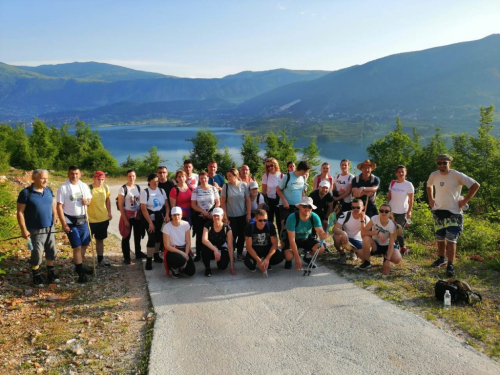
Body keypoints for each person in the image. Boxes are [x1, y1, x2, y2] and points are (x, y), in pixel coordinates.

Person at [427, 154, 480, 277]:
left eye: (444, 163)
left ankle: (450, 265)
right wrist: (431, 198)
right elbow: (428, 185)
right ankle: (441, 259)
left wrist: (464, 201)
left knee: (451, 240)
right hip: (438, 210)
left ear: (449, 163)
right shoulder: (434, 175)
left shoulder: (456, 175)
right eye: (439, 163)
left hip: (454, 213)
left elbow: (475, 185)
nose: (441, 165)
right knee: (440, 238)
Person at [17, 169, 60, 287]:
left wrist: (55, 216)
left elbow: (52, 203)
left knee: (51, 250)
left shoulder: (48, 190)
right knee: (37, 252)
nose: (45, 180)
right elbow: (20, 212)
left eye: (46, 178)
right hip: (35, 229)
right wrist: (23, 229)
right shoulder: (26, 193)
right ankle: (36, 274)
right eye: (42, 178)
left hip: (50, 226)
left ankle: (50, 272)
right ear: (34, 178)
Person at [56, 165, 93, 283]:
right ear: (68, 174)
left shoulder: (84, 186)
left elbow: (89, 200)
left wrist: (86, 201)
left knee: (85, 244)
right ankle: (80, 272)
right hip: (70, 220)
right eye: (72, 173)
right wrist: (63, 223)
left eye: (76, 173)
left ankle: (79, 264)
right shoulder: (63, 188)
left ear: (80, 174)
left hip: (82, 219)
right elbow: (59, 206)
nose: (74, 176)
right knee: (76, 246)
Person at [282, 196, 327, 271]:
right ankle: (289, 260)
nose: (307, 208)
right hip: (293, 240)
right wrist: (297, 258)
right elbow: (292, 240)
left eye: (309, 206)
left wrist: (324, 235)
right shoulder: (292, 218)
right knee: (289, 256)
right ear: (299, 206)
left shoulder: (314, 217)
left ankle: (308, 257)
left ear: (312, 208)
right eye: (304, 206)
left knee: (321, 248)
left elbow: (320, 232)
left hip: (305, 239)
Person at [358, 203, 402, 273]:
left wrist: (387, 260)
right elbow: (363, 232)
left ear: (390, 213)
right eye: (381, 211)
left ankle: (386, 256)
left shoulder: (392, 225)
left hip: (388, 246)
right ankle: (367, 262)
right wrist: (377, 232)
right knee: (366, 238)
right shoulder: (375, 218)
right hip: (376, 245)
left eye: (386, 211)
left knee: (397, 259)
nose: (383, 213)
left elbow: (391, 244)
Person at [221, 168, 251, 261]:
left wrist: (248, 214)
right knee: (232, 235)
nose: (228, 178)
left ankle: (240, 252)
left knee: (242, 235)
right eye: (227, 176)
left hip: (242, 214)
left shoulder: (244, 185)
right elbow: (222, 201)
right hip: (231, 215)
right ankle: (232, 253)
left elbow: (248, 200)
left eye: (230, 176)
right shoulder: (226, 186)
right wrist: (225, 214)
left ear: (236, 176)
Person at [140, 173, 169, 271]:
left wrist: (167, 214)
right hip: (149, 219)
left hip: (160, 218)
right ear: (149, 182)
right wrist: (150, 223)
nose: (156, 183)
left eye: (157, 181)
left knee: (158, 238)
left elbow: (166, 205)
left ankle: (156, 256)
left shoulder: (161, 191)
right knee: (151, 238)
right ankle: (149, 260)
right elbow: (143, 209)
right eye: (153, 182)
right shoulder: (145, 192)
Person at [118, 169, 146, 264]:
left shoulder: (138, 187)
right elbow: (121, 205)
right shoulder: (123, 188)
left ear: (136, 176)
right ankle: (126, 257)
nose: (131, 178)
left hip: (137, 215)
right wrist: (125, 220)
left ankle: (138, 252)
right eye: (129, 176)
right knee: (126, 236)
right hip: (127, 215)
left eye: (133, 176)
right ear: (127, 177)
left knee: (137, 235)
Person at [191, 171, 220, 262]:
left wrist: (212, 212)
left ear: (208, 178)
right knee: (199, 235)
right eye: (201, 178)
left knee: (211, 235)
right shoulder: (196, 190)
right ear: (199, 179)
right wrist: (203, 211)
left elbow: (218, 202)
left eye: (205, 178)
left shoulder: (213, 188)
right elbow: (193, 204)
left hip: (211, 216)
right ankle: (198, 254)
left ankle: (210, 253)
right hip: (200, 216)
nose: (203, 180)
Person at [244, 209, 284, 274]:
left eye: (265, 220)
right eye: (260, 220)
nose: (263, 222)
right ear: (256, 219)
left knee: (280, 257)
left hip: (267, 249)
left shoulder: (270, 226)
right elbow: (248, 247)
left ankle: (266, 263)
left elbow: (274, 244)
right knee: (249, 263)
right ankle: (259, 262)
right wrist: (259, 261)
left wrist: (267, 259)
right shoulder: (250, 227)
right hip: (255, 249)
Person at [332, 198, 370, 264]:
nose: (355, 210)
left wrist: (362, 220)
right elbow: (335, 229)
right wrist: (343, 232)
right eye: (353, 207)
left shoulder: (367, 218)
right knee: (336, 236)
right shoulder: (345, 215)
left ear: (363, 207)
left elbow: (365, 234)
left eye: (358, 207)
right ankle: (342, 254)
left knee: (365, 259)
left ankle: (353, 251)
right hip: (345, 238)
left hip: (358, 240)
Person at [201, 207, 236, 277]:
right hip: (211, 247)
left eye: (218, 216)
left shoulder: (227, 228)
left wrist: (232, 265)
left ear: (222, 216)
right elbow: (204, 240)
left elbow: (230, 246)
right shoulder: (207, 225)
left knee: (222, 267)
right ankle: (207, 268)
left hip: (221, 247)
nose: (216, 217)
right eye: (214, 215)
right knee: (204, 247)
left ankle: (221, 261)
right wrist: (215, 250)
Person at [387, 165, 414, 255]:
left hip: (402, 211)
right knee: (391, 229)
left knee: (398, 230)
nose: (401, 173)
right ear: (396, 173)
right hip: (392, 211)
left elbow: (411, 200)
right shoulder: (393, 183)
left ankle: (402, 246)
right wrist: (388, 208)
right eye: (399, 172)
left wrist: (409, 211)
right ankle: (396, 247)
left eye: (403, 172)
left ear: (405, 173)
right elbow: (389, 196)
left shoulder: (408, 185)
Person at [162, 206, 195, 278]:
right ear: (171, 216)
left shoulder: (186, 224)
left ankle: (181, 266)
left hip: (183, 248)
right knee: (182, 260)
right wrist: (182, 253)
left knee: (191, 272)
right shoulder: (167, 227)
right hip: (172, 250)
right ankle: (174, 267)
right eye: (174, 215)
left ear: (181, 215)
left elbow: (188, 241)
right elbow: (167, 245)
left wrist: (186, 254)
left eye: (178, 215)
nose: (176, 217)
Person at [276, 160, 310, 230]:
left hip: (297, 206)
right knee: (285, 226)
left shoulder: (303, 178)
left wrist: (304, 203)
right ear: (303, 170)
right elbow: (278, 190)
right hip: (286, 206)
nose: (307, 173)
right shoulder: (287, 177)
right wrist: (285, 201)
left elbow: (302, 191)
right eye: (307, 171)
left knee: (296, 226)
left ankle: (294, 241)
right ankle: (284, 240)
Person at [88, 171, 112, 267]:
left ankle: (100, 259)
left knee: (100, 240)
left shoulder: (105, 187)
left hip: (103, 219)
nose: (101, 181)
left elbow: (108, 199)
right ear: (94, 178)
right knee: (86, 242)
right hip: (90, 220)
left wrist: (109, 212)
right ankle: (79, 262)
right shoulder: (88, 188)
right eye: (98, 179)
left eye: (103, 179)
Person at [261, 157, 283, 233]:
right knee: (269, 221)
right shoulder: (266, 176)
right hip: (269, 201)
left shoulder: (281, 176)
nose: (270, 168)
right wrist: (264, 202)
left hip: (279, 201)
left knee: (279, 222)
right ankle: (269, 239)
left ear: (275, 165)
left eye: (271, 165)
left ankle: (281, 240)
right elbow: (263, 190)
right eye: (268, 166)